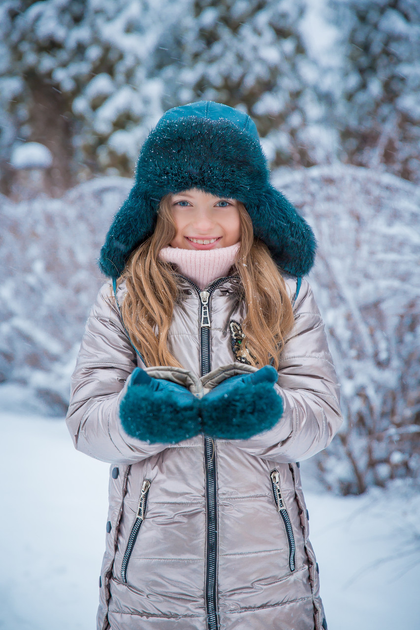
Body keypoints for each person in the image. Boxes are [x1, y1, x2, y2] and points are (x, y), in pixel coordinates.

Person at [66, 101, 342, 630]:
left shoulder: (287, 296)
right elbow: (85, 423)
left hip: (271, 582)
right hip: (148, 583)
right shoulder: (123, 298)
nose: (202, 222)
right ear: (155, 207)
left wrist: (270, 414)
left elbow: (320, 417)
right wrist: (133, 419)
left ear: (251, 207)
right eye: (182, 201)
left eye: (223, 200)